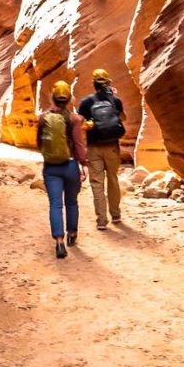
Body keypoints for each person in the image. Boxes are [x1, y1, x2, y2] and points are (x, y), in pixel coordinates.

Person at [36, 79, 87, 259]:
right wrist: (84, 164)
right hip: (71, 165)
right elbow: (79, 145)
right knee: (71, 202)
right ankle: (72, 234)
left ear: (53, 98)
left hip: (51, 168)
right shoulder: (74, 119)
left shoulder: (43, 118)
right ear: (69, 99)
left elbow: (39, 143)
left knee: (55, 205)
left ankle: (59, 243)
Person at [77, 68, 127, 229]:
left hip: (93, 148)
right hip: (112, 146)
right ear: (107, 83)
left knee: (97, 183)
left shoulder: (86, 102)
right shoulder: (115, 100)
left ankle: (101, 221)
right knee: (113, 180)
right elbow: (123, 118)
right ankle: (116, 215)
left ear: (94, 84)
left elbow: (79, 124)